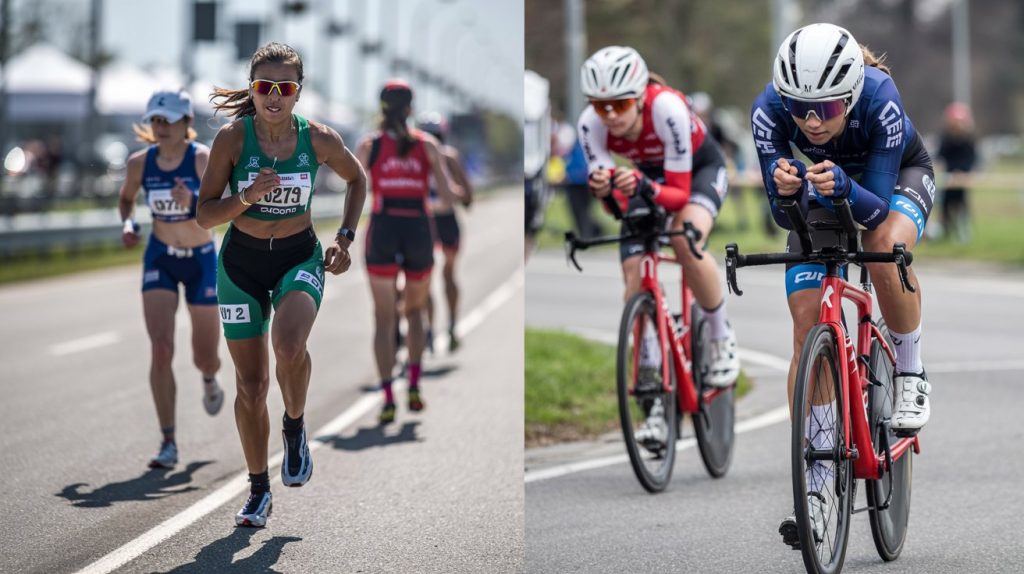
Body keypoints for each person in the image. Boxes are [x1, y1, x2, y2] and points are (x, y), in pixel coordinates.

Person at [750, 23, 934, 547]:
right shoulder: (769, 109)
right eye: (799, 109)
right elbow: (783, 218)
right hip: (826, 188)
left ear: (850, 95)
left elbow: (873, 206)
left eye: (826, 110)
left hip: (894, 180)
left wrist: (841, 187)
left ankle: (911, 368)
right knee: (807, 321)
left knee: (881, 251)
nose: (810, 122)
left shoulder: (881, 98)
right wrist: (784, 188)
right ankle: (816, 476)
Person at [196, 42, 367, 528]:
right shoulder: (233, 140)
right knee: (250, 387)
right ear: (253, 89)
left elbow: (358, 181)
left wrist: (346, 238)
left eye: (284, 87)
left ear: (298, 92)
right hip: (241, 265)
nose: (274, 96)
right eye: (264, 86)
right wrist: (246, 196)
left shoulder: (319, 139)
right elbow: (205, 215)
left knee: (289, 344)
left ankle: (294, 427)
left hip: (298, 256)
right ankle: (258, 490)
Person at [577, 46, 741, 404]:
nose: (609, 115)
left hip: (698, 172)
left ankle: (719, 336)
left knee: (685, 241)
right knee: (633, 272)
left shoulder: (666, 108)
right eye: (599, 104)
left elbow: (680, 196)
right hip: (647, 177)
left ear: (639, 98)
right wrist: (606, 192)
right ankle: (650, 370)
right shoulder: (590, 124)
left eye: (619, 105)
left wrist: (641, 186)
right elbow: (614, 209)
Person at [118, 88, 224, 470]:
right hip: (161, 257)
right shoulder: (138, 163)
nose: (161, 127)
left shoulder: (202, 160)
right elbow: (127, 198)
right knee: (161, 349)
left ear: (187, 123)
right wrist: (129, 223)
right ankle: (168, 441)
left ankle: (210, 378)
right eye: (156, 120)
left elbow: (221, 209)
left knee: (204, 355)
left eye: (169, 120)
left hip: (201, 260)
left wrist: (192, 202)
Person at [356, 81, 460, 426]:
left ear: (382, 108)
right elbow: (447, 200)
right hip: (417, 227)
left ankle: (387, 396)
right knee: (415, 312)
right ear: (411, 109)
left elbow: (355, 189)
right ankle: (414, 385)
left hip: (383, 227)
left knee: (383, 318)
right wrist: (416, 198)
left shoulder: (370, 145)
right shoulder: (427, 145)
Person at [416, 112, 473, 353]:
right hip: (431, 221)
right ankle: (435, 327)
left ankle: (446, 325)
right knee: (432, 278)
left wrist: (457, 193)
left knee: (440, 276)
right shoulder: (440, 156)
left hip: (440, 221)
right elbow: (469, 198)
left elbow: (468, 196)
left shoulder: (448, 158)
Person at [936, 102, 977, 243]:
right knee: (945, 206)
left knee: (961, 206)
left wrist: (963, 172)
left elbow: (971, 159)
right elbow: (941, 156)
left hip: (962, 178)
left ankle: (963, 233)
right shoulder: (946, 139)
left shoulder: (968, 140)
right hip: (949, 178)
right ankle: (945, 232)